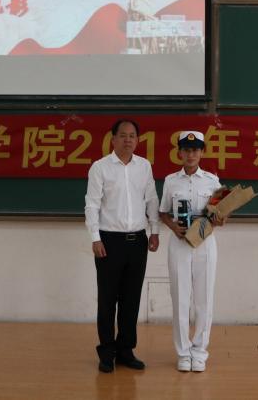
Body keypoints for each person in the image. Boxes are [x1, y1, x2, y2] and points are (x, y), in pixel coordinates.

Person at [84, 119, 160, 373]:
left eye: (132, 136)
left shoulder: (144, 166)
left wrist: (155, 231)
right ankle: (107, 352)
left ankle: (126, 350)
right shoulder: (100, 167)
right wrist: (95, 237)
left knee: (131, 299)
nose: (128, 140)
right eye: (123, 135)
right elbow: (92, 204)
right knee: (107, 300)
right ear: (113, 138)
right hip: (109, 241)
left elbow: (151, 200)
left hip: (137, 241)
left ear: (137, 140)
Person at [159, 131, 225, 373]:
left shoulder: (212, 181)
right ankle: (183, 353)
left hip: (205, 243)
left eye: (195, 150)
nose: (191, 154)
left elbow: (221, 214)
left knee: (204, 300)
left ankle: (199, 352)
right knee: (180, 299)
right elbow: (163, 212)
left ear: (202, 152)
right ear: (179, 153)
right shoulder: (171, 181)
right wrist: (172, 226)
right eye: (186, 150)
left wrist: (220, 219)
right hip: (179, 243)